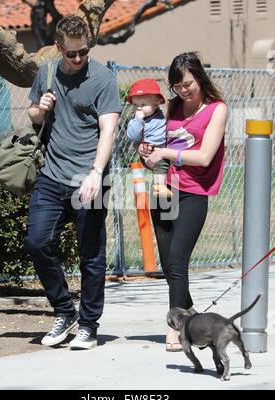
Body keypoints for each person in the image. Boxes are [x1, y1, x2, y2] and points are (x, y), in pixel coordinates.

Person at [26, 14, 121, 350]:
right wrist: (41, 107)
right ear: (59, 48)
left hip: (89, 177)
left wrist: (96, 172)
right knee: (37, 242)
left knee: (91, 255)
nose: (79, 58)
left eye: (84, 51)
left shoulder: (102, 79)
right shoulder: (46, 72)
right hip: (52, 175)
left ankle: (89, 326)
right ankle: (65, 312)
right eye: (72, 53)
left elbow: (108, 129)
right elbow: (33, 115)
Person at [139, 52, 228, 352]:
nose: (183, 90)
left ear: (200, 78)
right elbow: (159, 151)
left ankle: (174, 329)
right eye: (177, 85)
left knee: (178, 259)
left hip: (194, 191)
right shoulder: (173, 108)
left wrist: (166, 154)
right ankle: (192, 316)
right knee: (169, 265)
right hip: (164, 189)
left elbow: (204, 157)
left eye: (188, 83)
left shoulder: (217, 109)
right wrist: (149, 151)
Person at [126, 78, 172, 198]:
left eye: (143, 104)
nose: (139, 108)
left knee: (164, 162)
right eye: (135, 104)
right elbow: (132, 136)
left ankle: (160, 185)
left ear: (156, 104)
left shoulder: (160, 114)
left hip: (162, 149)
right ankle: (159, 187)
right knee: (161, 164)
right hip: (148, 152)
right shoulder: (135, 121)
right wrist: (138, 120)